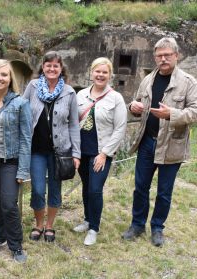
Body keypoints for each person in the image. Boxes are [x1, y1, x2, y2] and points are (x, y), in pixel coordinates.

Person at [122, 37, 197, 247]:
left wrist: (172, 114)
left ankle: (157, 228)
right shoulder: (147, 80)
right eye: (159, 55)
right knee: (140, 187)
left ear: (176, 56)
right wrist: (133, 106)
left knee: (164, 192)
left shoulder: (188, 82)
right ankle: (137, 224)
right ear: (155, 57)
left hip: (172, 145)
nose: (163, 59)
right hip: (147, 142)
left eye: (167, 55)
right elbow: (137, 102)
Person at [23, 51, 81, 242]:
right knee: (38, 189)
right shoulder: (32, 87)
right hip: (36, 150)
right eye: (48, 65)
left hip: (60, 151)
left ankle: (49, 226)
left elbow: (73, 124)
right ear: (43, 66)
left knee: (55, 189)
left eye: (56, 65)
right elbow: (22, 112)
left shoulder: (70, 92)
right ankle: (38, 225)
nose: (52, 68)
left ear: (61, 68)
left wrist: (76, 153)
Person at [0, 59, 32, 263]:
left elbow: (27, 138)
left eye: (4, 75)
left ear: (10, 79)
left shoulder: (20, 103)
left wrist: (23, 170)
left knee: (9, 203)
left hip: (10, 161)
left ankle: (16, 245)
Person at [74, 57, 127, 245]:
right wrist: (74, 152)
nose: (100, 75)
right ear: (91, 73)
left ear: (110, 75)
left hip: (101, 153)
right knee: (86, 187)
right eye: (97, 71)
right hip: (82, 151)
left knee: (95, 189)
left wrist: (104, 153)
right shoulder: (80, 96)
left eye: (104, 72)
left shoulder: (116, 98)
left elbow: (120, 128)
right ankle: (87, 219)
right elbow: (73, 124)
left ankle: (94, 228)